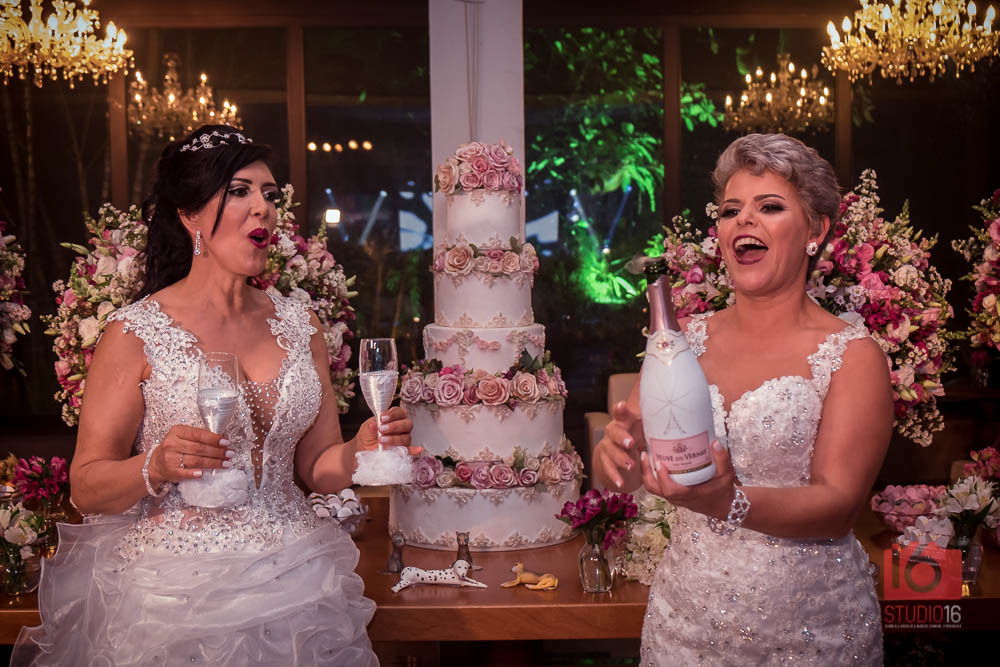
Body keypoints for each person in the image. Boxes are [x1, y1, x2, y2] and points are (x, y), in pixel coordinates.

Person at [13, 125, 416, 666]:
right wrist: (156, 464)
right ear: (189, 214)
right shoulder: (134, 333)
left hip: (296, 582)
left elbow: (316, 466)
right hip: (174, 596)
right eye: (240, 191)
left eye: (269, 194)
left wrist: (358, 451)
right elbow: (86, 487)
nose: (263, 208)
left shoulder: (302, 325)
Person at [596, 133, 892, 665]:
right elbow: (629, 468)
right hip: (684, 625)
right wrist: (614, 450)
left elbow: (838, 507)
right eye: (731, 210)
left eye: (770, 207)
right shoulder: (680, 344)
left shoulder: (852, 355)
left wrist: (727, 502)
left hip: (810, 632)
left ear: (816, 230)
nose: (744, 220)